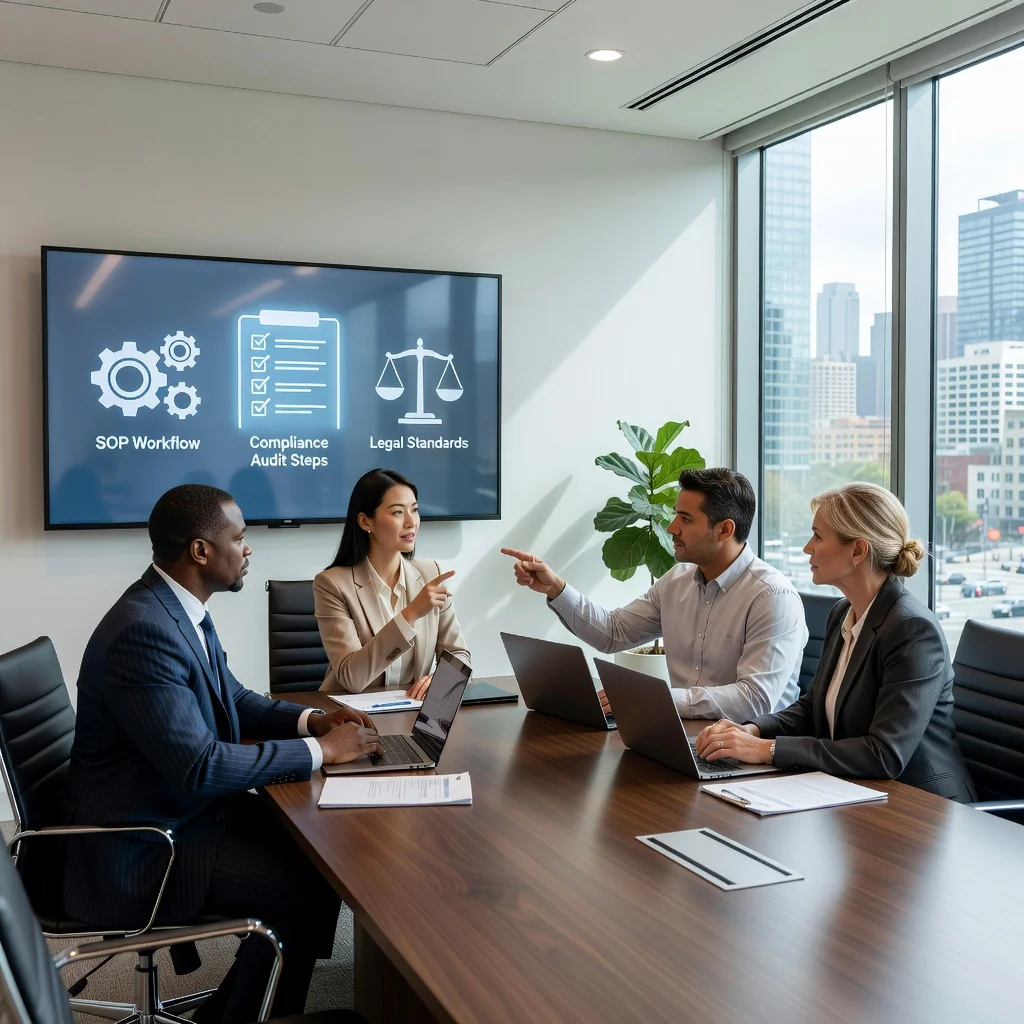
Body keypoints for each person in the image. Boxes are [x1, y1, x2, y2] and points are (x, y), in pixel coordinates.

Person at [62, 484, 381, 1023]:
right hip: (143, 843)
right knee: (301, 888)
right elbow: (199, 766)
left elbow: (232, 696)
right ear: (201, 551)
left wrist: (313, 719)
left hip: (175, 813)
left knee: (321, 853)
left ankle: (236, 1008)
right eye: (240, 537)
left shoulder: (175, 609)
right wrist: (321, 750)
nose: (249, 549)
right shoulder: (144, 630)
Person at [695, 482, 977, 802]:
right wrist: (752, 730)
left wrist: (767, 750)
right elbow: (811, 708)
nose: (807, 548)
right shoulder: (844, 611)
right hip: (858, 793)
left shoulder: (912, 630)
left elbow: (884, 754)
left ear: (857, 550)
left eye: (817, 536)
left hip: (922, 807)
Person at [502, 468, 807, 720]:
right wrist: (556, 587)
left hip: (750, 757)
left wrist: (655, 699)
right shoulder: (677, 580)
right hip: (683, 735)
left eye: (686, 519)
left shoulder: (772, 597)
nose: (672, 527)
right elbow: (614, 633)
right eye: (676, 515)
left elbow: (754, 700)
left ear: (724, 530)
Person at [314, 468, 471, 696]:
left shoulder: (431, 573)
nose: (411, 522)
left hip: (411, 712)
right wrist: (411, 614)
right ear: (365, 521)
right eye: (398, 512)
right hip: (350, 718)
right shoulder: (332, 584)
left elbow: (459, 655)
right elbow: (352, 678)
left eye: (415, 510)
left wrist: (440, 681)